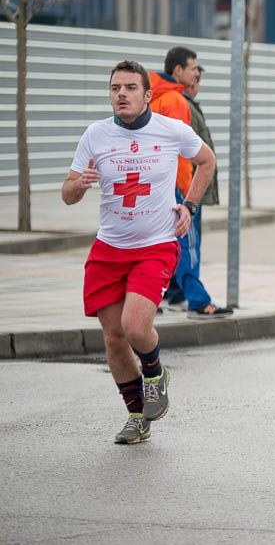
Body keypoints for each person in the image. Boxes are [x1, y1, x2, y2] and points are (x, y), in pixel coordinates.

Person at [61, 60, 216, 444]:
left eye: (130, 88)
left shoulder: (171, 130)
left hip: (155, 245)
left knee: (134, 326)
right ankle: (136, 416)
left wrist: (190, 205)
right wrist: (80, 184)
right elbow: (67, 194)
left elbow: (207, 161)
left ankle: (156, 372)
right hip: (109, 248)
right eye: (115, 88)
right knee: (113, 337)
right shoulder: (96, 135)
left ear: (147, 96)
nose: (121, 94)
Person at [150, 46, 232, 318]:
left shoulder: (162, 96)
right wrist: (188, 193)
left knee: (171, 242)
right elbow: (181, 151)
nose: (197, 73)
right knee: (188, 245)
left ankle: (174, 294)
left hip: (166, 184)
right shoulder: (173, 101)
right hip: (179, 187)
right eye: (193, 68)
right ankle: (197, 300)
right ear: (178, 71)